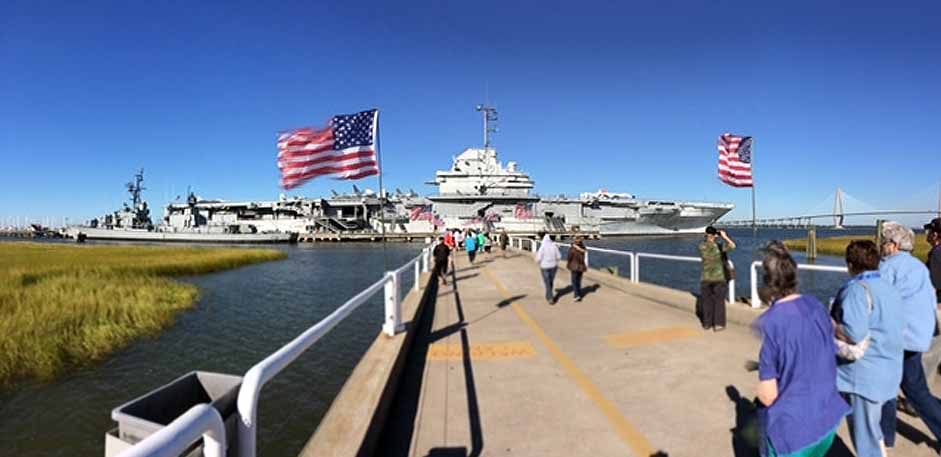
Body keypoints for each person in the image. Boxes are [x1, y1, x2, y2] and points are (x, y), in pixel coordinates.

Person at [755, 242, 848, 457]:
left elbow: (768, 397)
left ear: (768, 283)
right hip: (827, 420)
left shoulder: (771, 322)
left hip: (793, 434)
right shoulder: (815, 304)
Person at [831, 240, 903, 457]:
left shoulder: (855, 290)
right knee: (874, 432)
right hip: (889, 369)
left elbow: (854, 333)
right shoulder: (889, 287)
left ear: (851, 264)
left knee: (865, 438)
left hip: (863, 376)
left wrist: (831, 325)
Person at [876, 221, 941, 448]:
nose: (882, 246)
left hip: (898, 337)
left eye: (884, 242)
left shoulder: (888, 267)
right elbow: (931, 299)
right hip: (918, 335)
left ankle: (885, 436)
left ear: (893, 245)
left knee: (886, 386)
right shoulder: (918, 267)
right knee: (915, 389)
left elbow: (878, 304)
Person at [698, 226, 736, 331]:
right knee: (719, 301)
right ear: (715, 235)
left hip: (706, 277)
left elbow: (707, 243)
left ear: (706, 234)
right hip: (719, 278)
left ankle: (707, 323)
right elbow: (733, 246)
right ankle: (718, 324)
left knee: (706, 301)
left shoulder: (701, 246)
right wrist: (725, 237)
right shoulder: (719, 246)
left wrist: (710, 236)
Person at [535, 233, 561, 304]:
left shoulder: (542, 246)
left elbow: (538, 257)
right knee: (550, 281)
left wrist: (538, 261)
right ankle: (548, 295)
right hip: (553, 266)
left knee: (547, 282)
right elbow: (559, 256)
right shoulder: (554, 246)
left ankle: (550, 298)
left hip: (544, 266)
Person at [567, 236, 588, 302]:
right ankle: (579, 293)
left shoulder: (572, 249)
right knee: (579, 281)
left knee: (574, 281)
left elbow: (569, 257)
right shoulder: (584, 248)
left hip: (574, 266)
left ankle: (576, 295)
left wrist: (569, 263)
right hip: (581, 266)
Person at [926, 217, 941, 305]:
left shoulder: (937, 253)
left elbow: (934, 283)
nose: (927, 234)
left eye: (929, 231)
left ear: (935, 235)